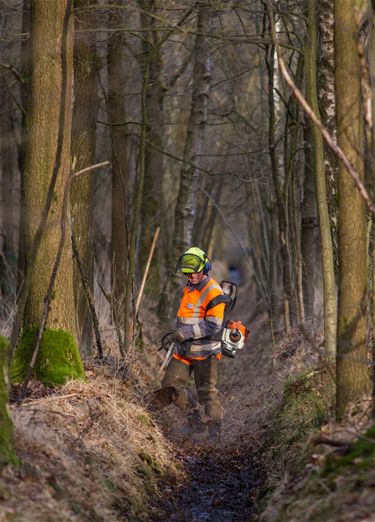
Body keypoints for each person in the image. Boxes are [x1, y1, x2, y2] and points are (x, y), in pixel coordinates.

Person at [159, 247, 226, 443]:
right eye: (188, 272)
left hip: (205, 352)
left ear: (205, 268)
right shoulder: (189, 287)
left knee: (207, 393)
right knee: (169, 385)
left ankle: (216, 437)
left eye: (196, 271)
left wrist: (185, 332)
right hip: (184, 350)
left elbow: (214, 324)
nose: (192, 275)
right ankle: (195, 419)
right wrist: (177, 333)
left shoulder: (213, 291)